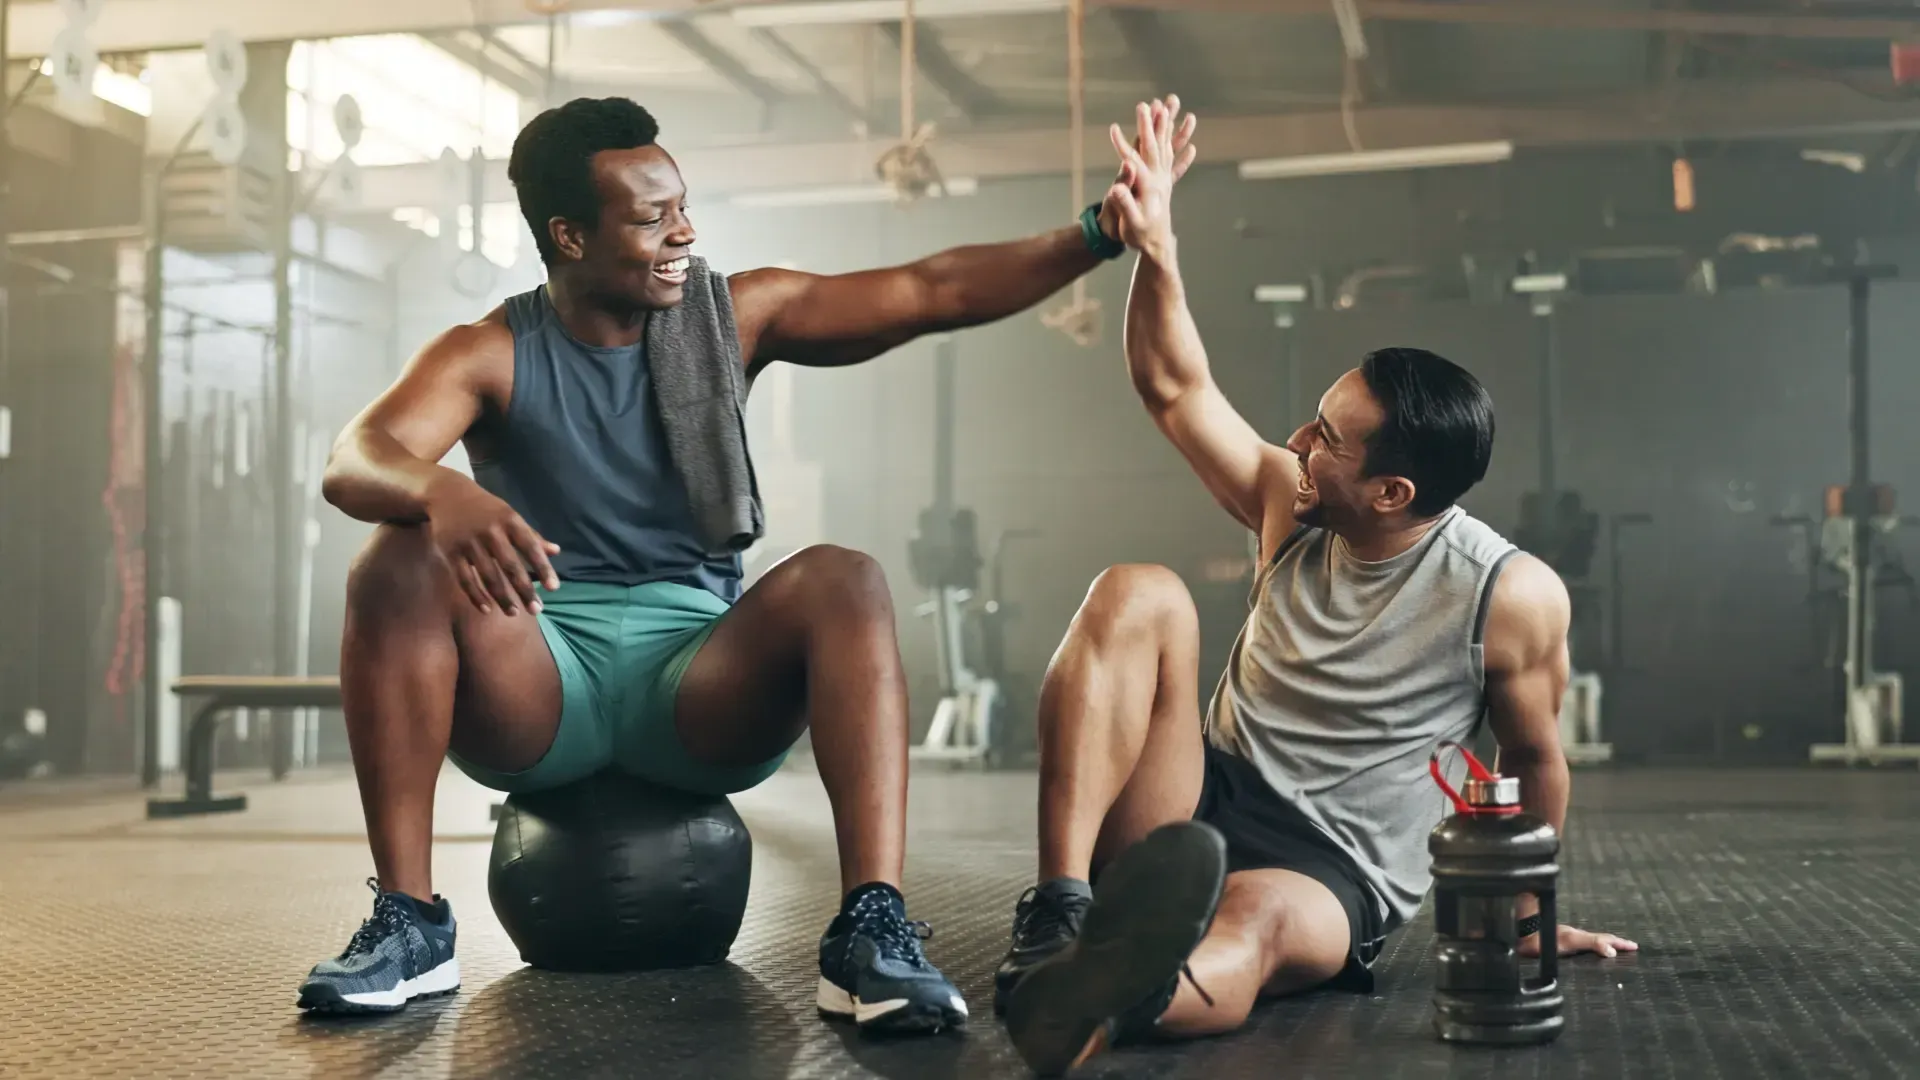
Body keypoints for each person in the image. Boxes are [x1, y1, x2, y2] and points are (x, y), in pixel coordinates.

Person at [300, 95, 1193, 1031]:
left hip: (699, 681)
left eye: (683, 206)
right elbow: (355, 458)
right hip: (540, 679)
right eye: (652, 218)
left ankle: (871, 933)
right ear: (569, 236)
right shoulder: (490, 353)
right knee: (395, 557)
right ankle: (411, 926)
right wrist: (441, 492)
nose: (684, 232)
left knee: (845, 577)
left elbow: (930, 289)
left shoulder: (733, 315)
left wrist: (1097, 234)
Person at [995, 98, 1638, 1076]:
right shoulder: (1288, 500)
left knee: (1252, 919)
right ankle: (1060, 914)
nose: (1296, 440)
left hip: (1330, 866)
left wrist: (1520, 917)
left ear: (1391, 492)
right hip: (1198, 799)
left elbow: (1534, 760)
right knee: (1140, 590)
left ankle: (1108, 1002)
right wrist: (1156, 248)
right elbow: (1174, 387)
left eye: (1326, 438)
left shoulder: (1507, 594)